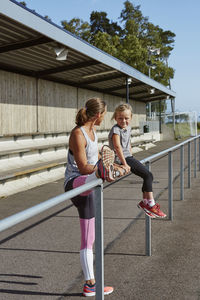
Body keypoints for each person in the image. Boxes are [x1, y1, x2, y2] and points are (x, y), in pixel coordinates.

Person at [64, 97, 125, 297]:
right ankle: (102, 173)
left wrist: (114, 166)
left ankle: (90, 284)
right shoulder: (77, 133)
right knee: (95, 173)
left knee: (89, 239)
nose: (104, 118)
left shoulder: (93, 132)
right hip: (75, 183)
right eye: (104, 115)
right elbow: (82, 167)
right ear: (98, 115)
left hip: (91, 185)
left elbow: (97, 158)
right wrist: (102, 170)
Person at [108, 103, 166, 218]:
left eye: (126, 118)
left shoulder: (128, 128)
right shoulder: (115, 130)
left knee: (147, 176)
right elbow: (118, 147)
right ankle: (151, 204)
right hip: (121, 159)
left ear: (131, 118)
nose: (123, 121)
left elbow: (128, 143)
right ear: (115, 118)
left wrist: (131, 156)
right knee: (148, 175)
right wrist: (124, 164)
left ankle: (146, 203)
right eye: (120, 118)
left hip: (128, 157)